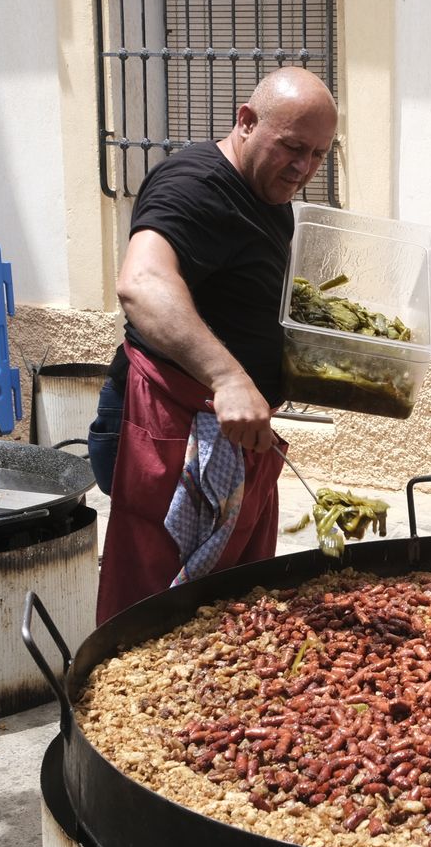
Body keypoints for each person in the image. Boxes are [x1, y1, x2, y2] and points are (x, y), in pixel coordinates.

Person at [90, 66, 338, 624]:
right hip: (170, 431)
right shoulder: (194, 185)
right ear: (246, 122)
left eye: (319, 155)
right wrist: (229, 377)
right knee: (161, 617)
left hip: (228, 436)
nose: (303, 168)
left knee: (226, 611)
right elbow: (142, 283)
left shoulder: (266, 189)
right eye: (292, 147)